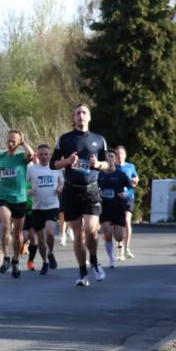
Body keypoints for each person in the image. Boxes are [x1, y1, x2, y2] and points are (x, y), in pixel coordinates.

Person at [50, 105, 115, 287]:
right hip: (71, 191)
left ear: (89, 117)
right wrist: (67, 161)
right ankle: (82, 272)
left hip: (91, 190)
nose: (81, 116)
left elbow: (109, 166)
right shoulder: (65, 139)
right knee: (78, 234)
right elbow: (52, 164)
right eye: (77, 113)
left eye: (84, 113)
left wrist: (98, 164)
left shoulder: (99, 140)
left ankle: (93, 260)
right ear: (74, 117)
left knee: (91, 231)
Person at [0, 130, 33, 278]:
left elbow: (31, 155)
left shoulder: (22, 158)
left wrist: (23, 143)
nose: (10, 144)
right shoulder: (0, 158)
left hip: (20, 198)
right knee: (5, 226)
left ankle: (16, 260)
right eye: (8, 140)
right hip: (3, 196)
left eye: (13, 141)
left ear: (19, 143)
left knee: (17, 233)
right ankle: (6, 257)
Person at [27, 143, 63, 276]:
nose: (43, 157)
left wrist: (60, 188)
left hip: (52, 206)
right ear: (37, 155)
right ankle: (45, 261)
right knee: (41, 240)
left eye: (46, 154)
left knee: (50, 232)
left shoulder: (56, 168)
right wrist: (28, 192)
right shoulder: (31, 170)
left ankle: (51, 253)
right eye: (41, 154)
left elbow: (61, 183)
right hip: (37, 208)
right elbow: (22, 186)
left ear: (50, 155)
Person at [98, 149, 133, 268]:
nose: (110, 159)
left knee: (118, 237)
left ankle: (117, 238)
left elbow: (131, 188)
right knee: (107, 234)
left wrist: (126, 194)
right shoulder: (100, 175)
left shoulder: (121, 174)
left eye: (112, 156)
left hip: (118, 208)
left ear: (115, 159)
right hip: (104, 208)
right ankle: (112, 258)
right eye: (107, 157)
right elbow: (93, 188)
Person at [115, 146, 140, 260]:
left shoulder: (130, 166)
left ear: (125, 155)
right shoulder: (113, 167)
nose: (119, 156)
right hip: (116, 198)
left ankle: (127, 247)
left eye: (121, 154)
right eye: (117, 154)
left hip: (129, 197)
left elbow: (136, 178)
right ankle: (119, 249)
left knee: (126, 221)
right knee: (118, 224)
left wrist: (135, 181)